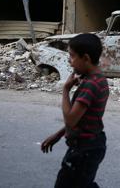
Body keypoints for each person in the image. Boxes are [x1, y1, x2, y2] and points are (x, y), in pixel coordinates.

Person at [41, 33, 109, 188]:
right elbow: (82, 119)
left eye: (72, 56)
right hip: (93, 144)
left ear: (86, 58)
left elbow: (71, 120)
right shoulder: (100, 79)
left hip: (84, 150)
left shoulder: (90, 84)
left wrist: (65, 90)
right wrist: (58, 134)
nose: (70, 62)